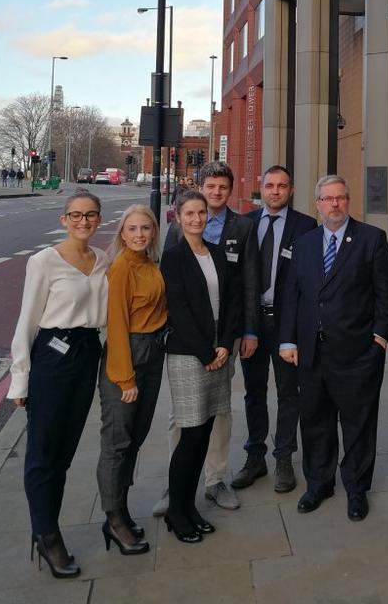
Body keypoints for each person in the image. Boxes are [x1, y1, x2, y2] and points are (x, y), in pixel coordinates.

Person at [279, 175, 388, 521]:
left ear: (348, 200)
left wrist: (380, 338)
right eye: (328, 198)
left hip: (358, 353)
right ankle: (319, 484)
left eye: (340, 197)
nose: (334, 204)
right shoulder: (304, 243)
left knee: (358, 425)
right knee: (315, 421)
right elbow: (292, 295)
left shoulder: (371, 239)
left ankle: (356, 489)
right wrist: (288, 339)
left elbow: (386, 294)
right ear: (317, 203)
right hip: (311, 353)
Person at [9, 190, 109, 578]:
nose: (84, 221)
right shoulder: (43, 261)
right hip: (53, 355)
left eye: (91, 215)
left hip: (87, 354)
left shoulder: (101, 259)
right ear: (63, 219)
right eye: (76, 215)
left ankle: (45, 525)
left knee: (64, 452)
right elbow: (27, 321)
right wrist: (20, 379)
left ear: (98, 219)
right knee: (43, 451)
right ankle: (47, 536)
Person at [154, 160, 260, 514]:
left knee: (220, 410)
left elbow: (248, 283)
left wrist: (245, 332)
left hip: (225, 335)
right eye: (210, 186)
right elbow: (171, 287)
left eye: (222, 187)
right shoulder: (178, 227)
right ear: (200, 187)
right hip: (188, 338)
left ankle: (214, 480)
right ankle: (177, 484)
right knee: (182, 414)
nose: (216, 192)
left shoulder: (243, 227)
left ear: (230, 190)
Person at [160, 190, 241, 542]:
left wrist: (224, 344)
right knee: (190, 435)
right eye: (190, 213)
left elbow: (231, 301)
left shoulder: (218, 253)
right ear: (178, 217)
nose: (196, 219)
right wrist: (206, 353)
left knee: (206, 431)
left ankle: (190, 507)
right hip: (189, 355)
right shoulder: (173, 257)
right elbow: (178, 310)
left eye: (201, 213)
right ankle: (176, 512)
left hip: (218, 351)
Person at [232, 165, 317, 493]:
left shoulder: (305, 226)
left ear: (291, 189)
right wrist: (245, 328)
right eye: (270, 185)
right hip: (253, 325)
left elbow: (306, 282)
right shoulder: (245, 224)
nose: (276, 191)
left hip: (286, 325)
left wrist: (295, 333)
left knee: (288, 393)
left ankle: (284, 458)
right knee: (254, 392)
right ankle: (255, 456)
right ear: (262, 188)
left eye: (282, 186)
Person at [96, 205, 166, 556]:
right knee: (117, 442)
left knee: (135, 437)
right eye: (133, 229)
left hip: (152, 354)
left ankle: (120, 510)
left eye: (145, 228)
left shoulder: (150, 263)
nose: (139, 235)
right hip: (129, 357)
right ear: (122, 234)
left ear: (154, 232)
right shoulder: (122, 267)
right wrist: (125, 379)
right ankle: (113, 519)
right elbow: (117, 325)